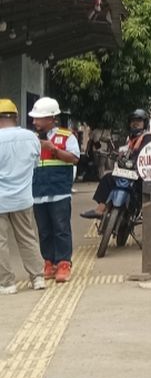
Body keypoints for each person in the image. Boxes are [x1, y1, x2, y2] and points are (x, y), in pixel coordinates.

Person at [29, 97, 80, 284]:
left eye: (38, 118)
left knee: (61, 229)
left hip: (59, 191)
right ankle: (49, 262)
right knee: (44, 230)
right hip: (38, 193)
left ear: (51, 118)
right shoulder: (31, 139)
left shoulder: (67, 137)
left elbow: (75, 158)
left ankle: (64, 263)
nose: (34, 122)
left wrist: (54, 150)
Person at [0, 99, 46, 294]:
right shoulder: (31, 138)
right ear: (16, 117)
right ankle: (38, 278)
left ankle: (7, 283)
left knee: (0, 242)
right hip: (23, 198)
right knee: (27, 238)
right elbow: (35, 165)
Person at [81, 109, 151, 220]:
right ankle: (101, 209)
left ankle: (139, 212)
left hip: (141, 175)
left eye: (138, 121)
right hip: (128, 172)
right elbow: (124, 152)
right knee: (107, 179)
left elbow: (145, 155)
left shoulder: (148, 137)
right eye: (133, 121)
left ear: (145, 123)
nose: (135, 124)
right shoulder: (131, 139)